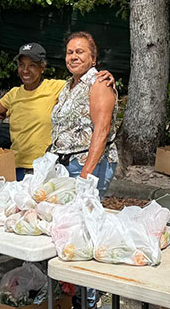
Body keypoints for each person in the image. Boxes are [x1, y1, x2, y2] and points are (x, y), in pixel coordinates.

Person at [0, 43, 113, 180]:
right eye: (21, 65)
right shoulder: (13, 95)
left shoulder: (57, 87)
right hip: (17, 166)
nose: (25, 70)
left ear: (42, 67)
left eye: (31, 65)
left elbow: (84, 85)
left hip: (44, 167)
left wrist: (103, 76)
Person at [48, 32, 118, 196]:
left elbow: (102, 130)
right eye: (69, 52)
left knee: (83, 217)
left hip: (87, 165)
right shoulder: (68, 85)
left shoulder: (99, 83)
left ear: (93, 58)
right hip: (63, 164)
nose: (73, 57)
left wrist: (86, 174)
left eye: (79, 52)